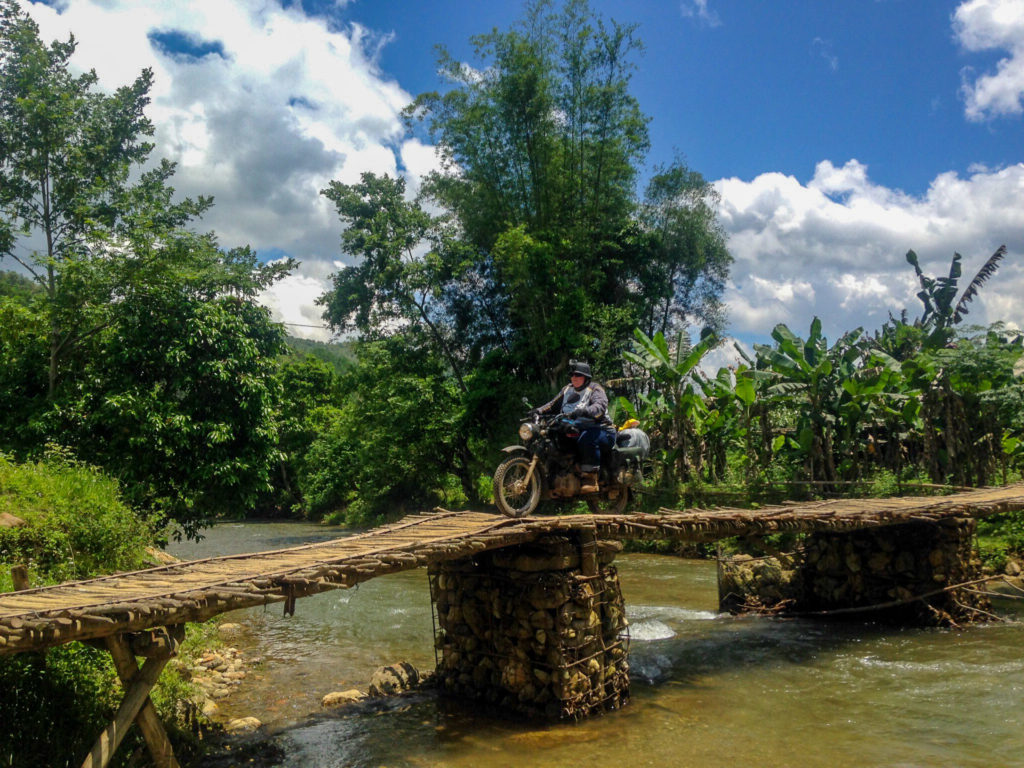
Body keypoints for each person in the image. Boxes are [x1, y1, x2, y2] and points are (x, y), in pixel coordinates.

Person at [534, 361, 615, 494]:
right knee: (553, 437)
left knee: (586, 438)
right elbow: (552, 404)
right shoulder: (567, 389)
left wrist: (585, 411)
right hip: (576, 427)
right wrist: (538, 411)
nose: (574, 378)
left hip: (602, 430)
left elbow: (600, 406)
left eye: (578, 375)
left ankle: (591, 478)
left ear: (586, 377)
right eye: (572, 375)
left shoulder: (595, 389)